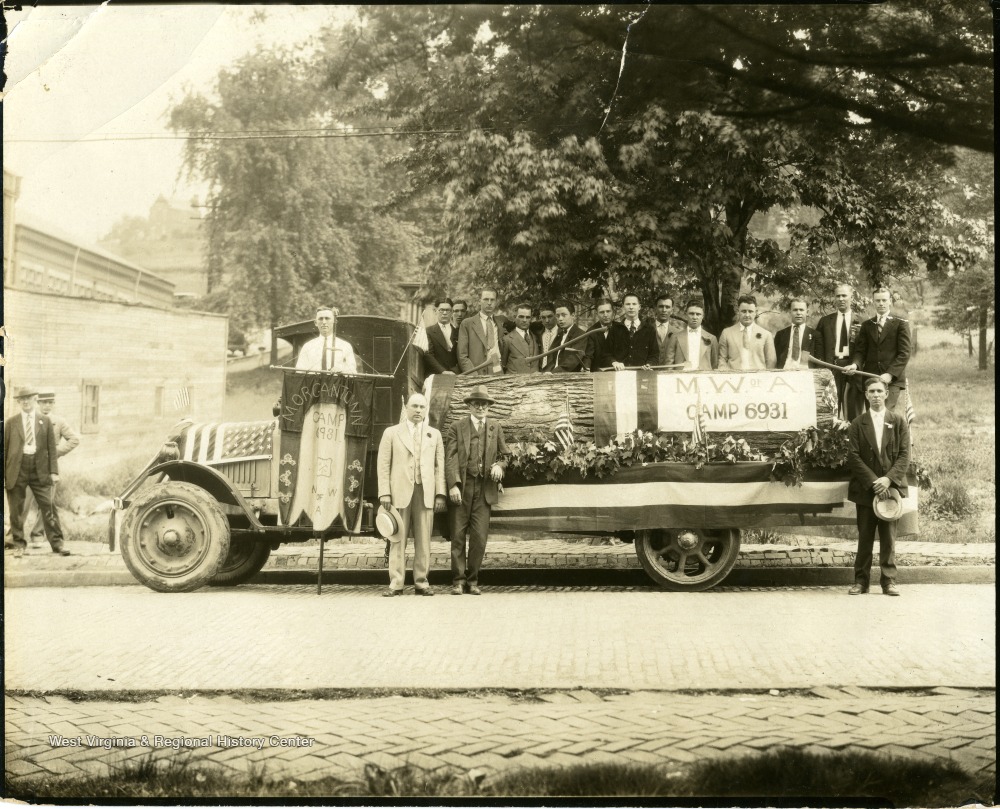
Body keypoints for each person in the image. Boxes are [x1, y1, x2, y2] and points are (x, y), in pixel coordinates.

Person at [377, 392, 447, 596]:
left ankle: (421, 581)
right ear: (406, 408)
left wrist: (440, 494)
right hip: (399, 491)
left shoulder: (434, 434)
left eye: (422, 407)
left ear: (426, 410)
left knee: (424, 539)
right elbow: (383, 465)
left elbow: (439, 467)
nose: (418, 410)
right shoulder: (391, 433)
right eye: (414, 406)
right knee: (397, 537)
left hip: (424, 492)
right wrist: (385, 493)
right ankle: (396, 582)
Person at [846, 376, 910, 596]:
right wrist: (875, 481)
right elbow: (853, 457)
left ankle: (888, 581)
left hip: (891, 490)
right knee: (865, 537)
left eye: (879, 391)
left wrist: (888, 480)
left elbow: (904, 455)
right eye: (871, 391)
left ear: (886, 394)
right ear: (866, 395)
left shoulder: (898, 421)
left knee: (888, 537)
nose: (875, 395)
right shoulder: (857, 424)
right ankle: (860, 581)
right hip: (866, 490)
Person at [445, 386, 509, 595]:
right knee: (457, 535)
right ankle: (457, 581)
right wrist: (453, 484)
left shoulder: (495, 427)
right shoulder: (457, 427)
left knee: (479, 537)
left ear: (489, 407)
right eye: (477, 403)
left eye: (485, 404)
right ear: (470, 406)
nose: (481, 407)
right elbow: (451, 457)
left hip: (484, 489)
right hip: (462, 488)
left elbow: (505, 455)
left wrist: (500, 465)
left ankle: (472, 580)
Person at [4, 386, 69, 557]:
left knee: (48, 507)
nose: (25, 402)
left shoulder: (44, 421)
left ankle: (57, 544)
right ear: (19, 402)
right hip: (17, 469)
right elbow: (4, 449)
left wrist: (54, 471)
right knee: (16, 509)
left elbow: (52, 450)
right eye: (22, 399)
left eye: (29, 398)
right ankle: (19, 545)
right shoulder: (11, 422)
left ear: (34, 400)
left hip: (40, 470)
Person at [24, 390, 80, 545]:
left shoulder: (59, 422)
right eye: (43, 402)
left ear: (53, 404)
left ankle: (37, 534)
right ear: (38, 403)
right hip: (29, 465)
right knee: (23, 500)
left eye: (50, 403)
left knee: (46, 501)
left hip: (49, 467)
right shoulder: (29, 419)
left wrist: (55, 453)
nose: (46, 406)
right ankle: (14, 536)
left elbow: (74, 439)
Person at [844, 287, 911, 410]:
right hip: (870, 378)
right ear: (873, 302)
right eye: (878, 301)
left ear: (890, 301)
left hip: (892, 380)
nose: (881, 304)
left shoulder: (900, 323)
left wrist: (890, 374)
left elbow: (905, 353)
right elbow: (860, 352)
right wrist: (855, 365)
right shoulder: (866, 325)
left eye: (884, 300)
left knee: (886, 414)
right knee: (872, 414)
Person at [813, 283, 862, 420]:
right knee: (829, 412)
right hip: (831, 369)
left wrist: (856, 364)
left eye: (844, 295)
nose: (841, 299)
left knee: (853, 414)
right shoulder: (825, 322)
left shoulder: (861, 322)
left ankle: (853, 440)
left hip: (852, 370)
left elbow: (862, 349)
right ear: (834, 298)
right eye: (838, 296)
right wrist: (822, 370)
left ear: (851, 297)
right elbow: (818, 348)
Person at [719, 294, 777, 370]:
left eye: (750, 311)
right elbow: (722, 360)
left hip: (757, 379)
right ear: (738, 311)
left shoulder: (766, 335)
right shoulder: (727, 333)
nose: (747, 315)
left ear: (755, 312)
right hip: (734, 378)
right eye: (743, 311)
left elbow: (771, 362)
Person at [458, 287, 505, 375]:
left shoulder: (499, 323)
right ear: (479, 301)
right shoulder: (467, 323)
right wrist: (473, 374)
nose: (489, 303)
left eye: (492, 300)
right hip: (476, 373)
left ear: (496, 302)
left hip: (497, 373)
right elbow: (462, 355)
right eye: (486, 299)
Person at [295, 307, 357, 372]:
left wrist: (341, 370)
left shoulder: (345, 346)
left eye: (327, 318)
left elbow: (353, 372)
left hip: (336, 382)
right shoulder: (307, 346)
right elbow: (299, 372)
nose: (324, 322)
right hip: (313, 381)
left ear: (335, 321)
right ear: (316, 323)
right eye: (320, 319)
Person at [664, 299, 719, 370]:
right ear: (686, 315)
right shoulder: (675, 337)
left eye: (698, 314)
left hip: (704, 379)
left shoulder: (712, 338)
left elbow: (715, 365)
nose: (695, 317)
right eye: (691, 314)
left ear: (703, 316)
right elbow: (669, 366)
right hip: (681, 378)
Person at [584, 298, 629, 371]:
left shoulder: (621, 329)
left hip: (619, 371)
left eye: (608, 311)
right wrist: (586, 367)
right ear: (596, 313)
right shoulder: (592, 332)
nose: (605, 315)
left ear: (613, 312)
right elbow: (588, 355)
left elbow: (625, 353)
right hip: (598, 373)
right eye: (602, 312)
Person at [543, 300, 587, 372]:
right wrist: (543, 372)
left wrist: (552, 373)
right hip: (554, 375)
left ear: (573, 315)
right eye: (557, 316)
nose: (560, 319)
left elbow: (572, 361)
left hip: (568, 378)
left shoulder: (580, 335)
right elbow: (554, 360)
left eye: (564, 315)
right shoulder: (560, 334)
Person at [774, 298, 818, 369]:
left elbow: (819, 361)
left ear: (807, 312)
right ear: (790, 312)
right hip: (784, 372)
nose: (798, 313)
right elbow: (775, 359)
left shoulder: (815, 335)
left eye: (801, 310)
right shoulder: (780, 334)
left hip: (806, 373)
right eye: (795, 310)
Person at [620, 293, 659, 367]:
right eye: (628, 304)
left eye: (634, 304)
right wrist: (614, 362)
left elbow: (654, 355)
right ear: (623, 307)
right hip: (620, 375)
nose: (631, 307)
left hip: (642, 374)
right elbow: (607, 354)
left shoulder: (649, 330)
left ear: (639, 307)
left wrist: (649, 364)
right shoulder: (615, 329)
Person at [500, 304, 540, 373]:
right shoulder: (507, 339)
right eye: (521, 317)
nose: (524, 320)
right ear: (515, 317)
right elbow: (503, 364)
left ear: (531, 319)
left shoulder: (536, 337)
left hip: (535, 381)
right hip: (515, 381)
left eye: (527, 317)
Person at [424, 298, 459, 374]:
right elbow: (428, 355)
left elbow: (461, 356)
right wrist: (442, 371)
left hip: (454, 375)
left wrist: (454, 371)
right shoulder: (428, 331)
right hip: (434, 374)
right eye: (441, 310)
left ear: (452, 312)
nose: (444, 313)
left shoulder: (458, 332)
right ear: (435, 311)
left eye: (448, 310)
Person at [653, 293, 682, 365]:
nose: (664, 310)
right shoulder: (646, 330)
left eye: (667, 307)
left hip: (670, 373)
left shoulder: (678, 333)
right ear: (655, 309)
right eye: (661, 306)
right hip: (649, 373)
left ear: (672, 310)